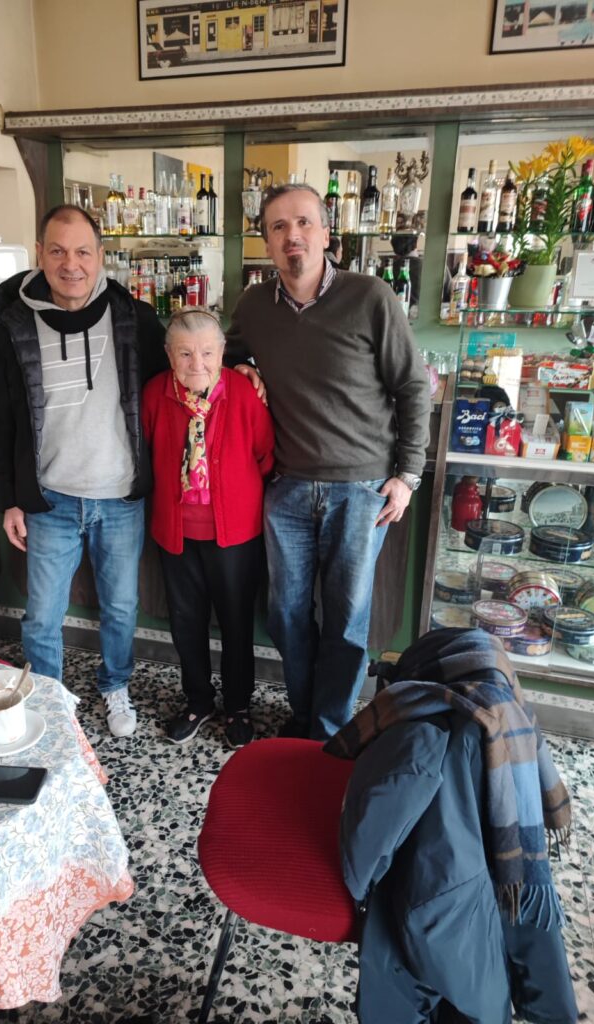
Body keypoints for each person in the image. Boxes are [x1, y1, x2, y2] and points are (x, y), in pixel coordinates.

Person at [226, 183, 430, 741]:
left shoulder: (370, 296)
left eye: (304, 223)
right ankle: (302, 716)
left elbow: (414, 387)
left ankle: (330, 728)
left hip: (361, 489)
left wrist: (407, 476)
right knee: (287, 618)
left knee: (345, 623)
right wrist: (243, 369)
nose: (293, 236)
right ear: (266, 242)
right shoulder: (253, 306)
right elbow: (228, 354)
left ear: (326, 233)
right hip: (287, 488)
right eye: (278, 228)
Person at [0, 205, 166, 737]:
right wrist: (8, 500)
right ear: (39, 254)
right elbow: (0, 425)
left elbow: (182, 376)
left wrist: (242, 363)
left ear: (100, 256)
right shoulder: (9, 331)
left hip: (121, 497)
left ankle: (115, 687)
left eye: (83, 251)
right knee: (41, 616)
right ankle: (48, 701)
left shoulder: (136, 321)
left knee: (121, 608)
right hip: (50, 501)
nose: (71, 264)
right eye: (58, 251)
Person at [142, 309, 274, 748]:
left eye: (206, 352)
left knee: (237, 623)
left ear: (222, 353)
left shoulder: (242, 393)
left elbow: (264, 456)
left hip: (235, 533)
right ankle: (197, 701)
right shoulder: (154, 395)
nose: (196, 363)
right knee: (186, 623)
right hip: (176, 532)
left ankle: (238, 706)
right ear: (169, 355)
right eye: (184, 353)